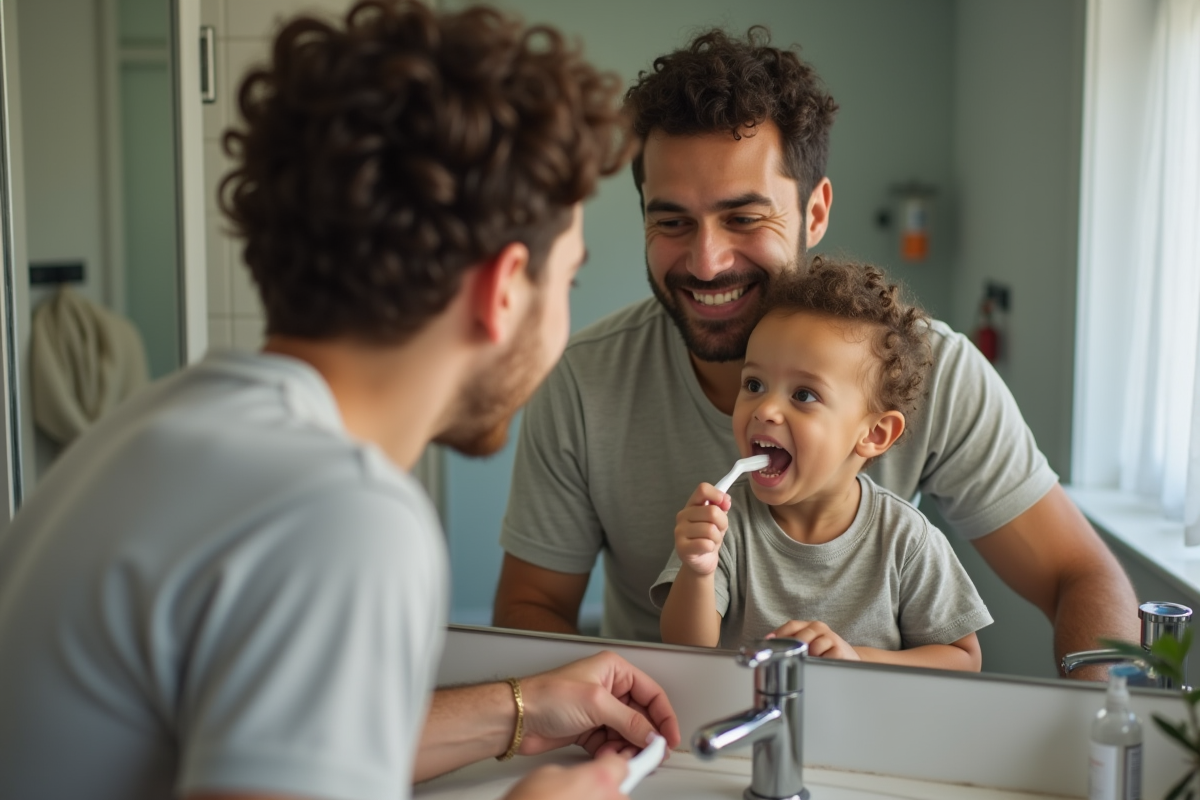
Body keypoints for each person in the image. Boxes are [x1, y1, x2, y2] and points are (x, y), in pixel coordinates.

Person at [0, 3, 682, 800]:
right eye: (563, 279)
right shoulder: (342, 515)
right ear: (502, 292)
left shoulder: (157, 428)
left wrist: (519, 711)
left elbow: (265, 743)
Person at [493, 26, 1137, 678]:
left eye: (744, 218)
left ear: (816, 210)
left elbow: (1077, 575)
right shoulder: (583, 379)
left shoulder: (931, 372)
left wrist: (1106, 732)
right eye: (672, 221)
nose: (706, 261)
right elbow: (530, 606)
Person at [653, 258, 992, 671]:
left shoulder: (906, 540)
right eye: (754, 384)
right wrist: (698, 570)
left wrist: (856, 659)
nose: (766, 410)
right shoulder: (727, 524)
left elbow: (964, 659)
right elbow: (687, 650)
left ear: (874, 435)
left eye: (804, 395)